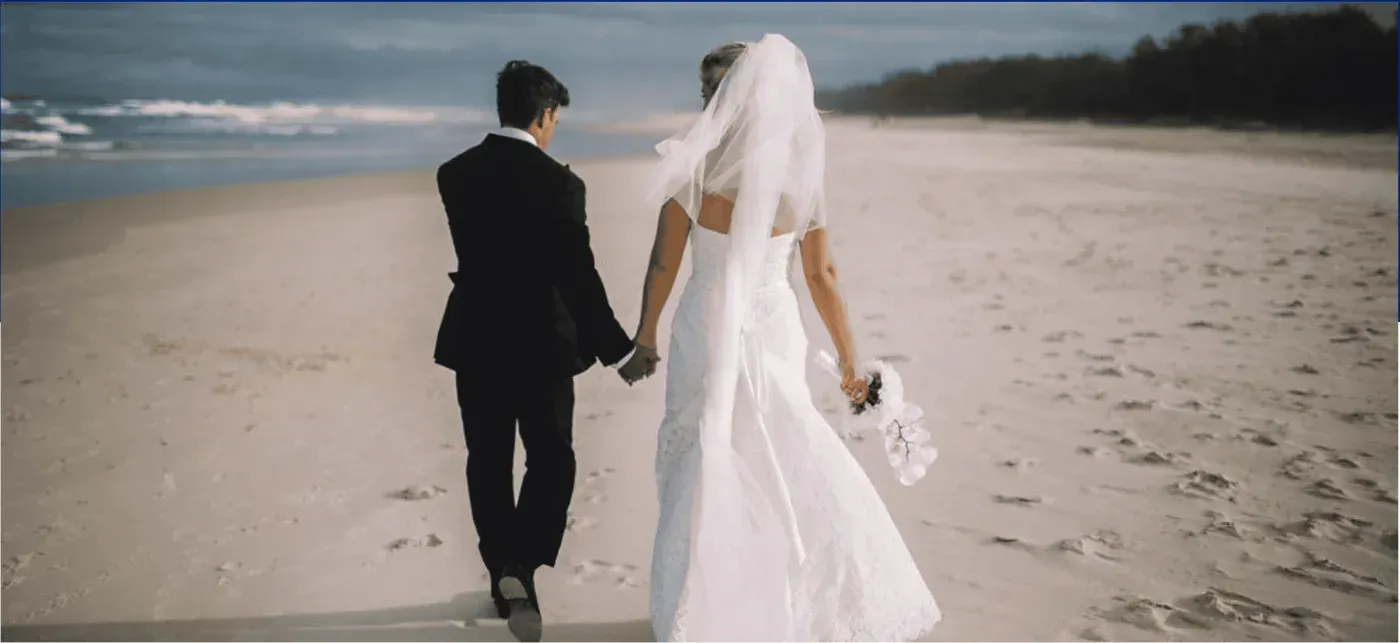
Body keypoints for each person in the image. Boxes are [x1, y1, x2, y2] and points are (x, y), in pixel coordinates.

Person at [614, 35, 942, 641]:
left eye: (713, 90)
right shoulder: (797, 175)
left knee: (701, 449)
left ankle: (702, 607)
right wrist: (848, 362)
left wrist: (646, 338)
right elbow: (821, 275)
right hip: (772, 323)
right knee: (781, 446)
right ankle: (786, 600)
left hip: (706, 323)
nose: (709, 101)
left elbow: (663, 265)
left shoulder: (693, 166)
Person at [433, 60, 644, 643]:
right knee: (552, 457)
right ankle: (521, 567)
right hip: (542, 344)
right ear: (545, 113)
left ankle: (504, 569)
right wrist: (620, 352)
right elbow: (577, 274)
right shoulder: (561, 184)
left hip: (475, 337)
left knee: (488, 457)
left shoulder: (454, 173)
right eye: (555, 118)